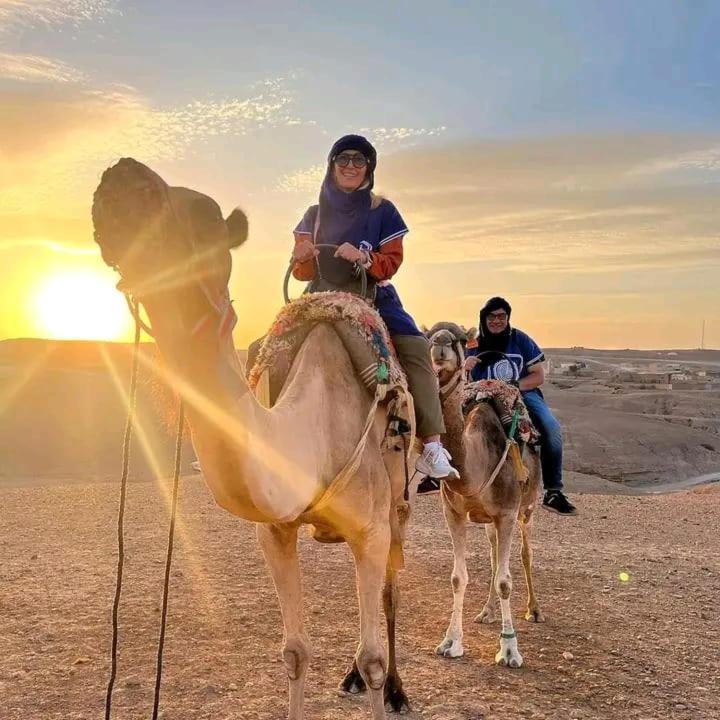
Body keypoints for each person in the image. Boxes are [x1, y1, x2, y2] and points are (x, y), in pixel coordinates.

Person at [292, 134, 458, 481]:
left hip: (372, 295)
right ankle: (247, 435)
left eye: (359, 160)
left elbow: (391, 262)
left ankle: (431, 445)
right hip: (321, 294)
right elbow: (302, 272)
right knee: (265, 348)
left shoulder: (382, 211)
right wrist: (302, 257)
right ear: (332, 166)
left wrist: (363, 257)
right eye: (343, 159)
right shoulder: (313, 215)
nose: (350, 166)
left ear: (369, 168)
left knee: (415, 349)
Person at [464, 296, 577, 515]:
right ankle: (437, 477)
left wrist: (514, 386)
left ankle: (553, 492)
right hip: (481, 395)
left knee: (552, 429)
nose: (496, 321)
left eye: (501, 316)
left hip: (521, 394)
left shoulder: (520, 340)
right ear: (484, 318)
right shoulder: (474, 345)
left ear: (508, 318)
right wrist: (466, 366)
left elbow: (538, 376)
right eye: (491, 316)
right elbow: (461, 378)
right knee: (448, 422)